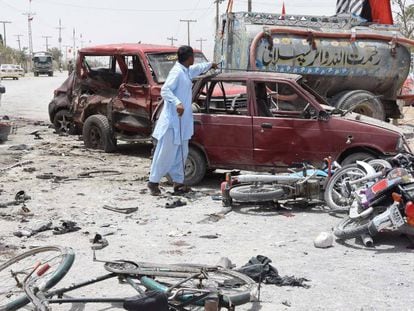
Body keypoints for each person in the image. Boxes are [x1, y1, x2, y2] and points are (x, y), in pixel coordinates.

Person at [148, 46, 218, 195]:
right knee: (165, 153)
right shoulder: (177, 72)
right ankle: (153, 182)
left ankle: (178, 183)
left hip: (182, 123)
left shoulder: (186, 71)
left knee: (182, 153)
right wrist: (177, 102)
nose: (194, 60)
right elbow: (165, 90)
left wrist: (210, 64)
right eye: (193, 56)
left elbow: (198, 69)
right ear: (189, 57)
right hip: (172, 122)